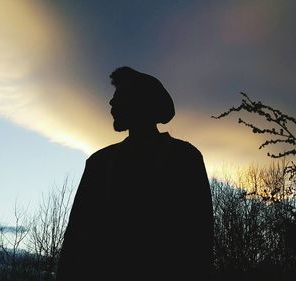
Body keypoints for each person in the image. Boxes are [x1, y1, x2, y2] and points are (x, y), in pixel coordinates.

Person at [57, 66, 214, 280]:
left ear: (142, 102)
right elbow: (76, 240)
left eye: (120, 95)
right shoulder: (98, 163)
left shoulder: (185, 158)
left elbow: (198, 239)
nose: (111, 103)